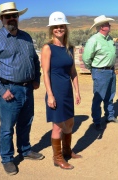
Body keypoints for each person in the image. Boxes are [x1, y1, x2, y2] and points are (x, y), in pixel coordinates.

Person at [0, 2, 44, 175]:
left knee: (26, 122)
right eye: (8, 16)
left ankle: (25, 150)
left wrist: (36, 78)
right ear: (2, 19)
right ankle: (7, 159)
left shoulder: (26, 37)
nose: (11, 18)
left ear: (18, 17)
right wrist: (2, 91)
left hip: (27, 89)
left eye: (14, 15)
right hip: (9, 90)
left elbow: (34, 61)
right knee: (7, 127)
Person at [41, 11, 81, 170]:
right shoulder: (47, 48)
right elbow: (45, 73)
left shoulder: (69, 48)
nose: (59, 29)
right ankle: (57, 158)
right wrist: (50, 95)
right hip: (55, 92)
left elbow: (73, 72)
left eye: (61, 26)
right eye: (55, 27)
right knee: (57, 126)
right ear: (51, 29)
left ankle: (67, 151)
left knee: (70, 123)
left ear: (66, 28)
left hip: (67, 92)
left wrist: (77, 91)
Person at [82, 15, 118, 131]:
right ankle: (97, 121)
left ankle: (109, 116)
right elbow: (86, 58)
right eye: (107, 24)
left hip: (111, 71)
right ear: (101, 27)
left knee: (110, 95)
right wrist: (94, 70)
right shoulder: (93, 40)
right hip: (100, 71)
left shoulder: (110, 39)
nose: (109, 25)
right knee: (99, 97)